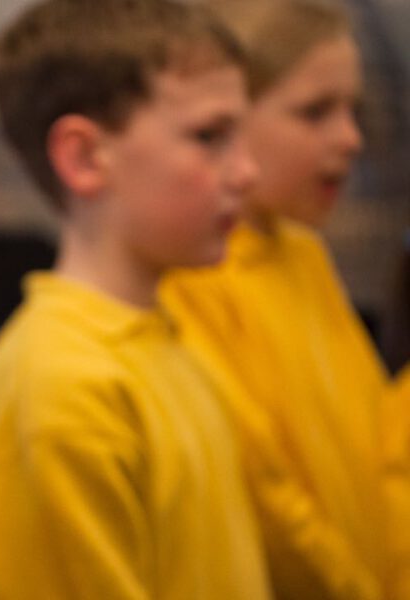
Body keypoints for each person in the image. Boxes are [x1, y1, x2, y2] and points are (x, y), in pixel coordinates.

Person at [0, 1, 269, 598]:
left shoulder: (159, 335)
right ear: (86, 156)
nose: (247, 171)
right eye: (210, 136)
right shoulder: (64, 391)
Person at [160, 1, 395, 597]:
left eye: (354, 110)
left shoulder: (303, 253)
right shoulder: (192, 276)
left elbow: (378, 442)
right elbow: (268, 498)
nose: (351, 138)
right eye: (315, 112)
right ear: (230, 119)